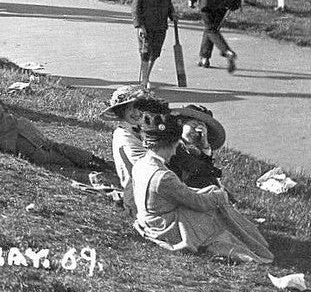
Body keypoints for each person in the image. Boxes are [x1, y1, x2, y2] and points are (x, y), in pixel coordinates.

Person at [129, 110, 272, 263]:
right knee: (216, 213)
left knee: (211, 194)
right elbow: (197, 202)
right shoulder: (163, 175)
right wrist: (220, 196)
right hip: (165, 226)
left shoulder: (142, 163)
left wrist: (211, 193)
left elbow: (180, 193)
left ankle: (251, 238)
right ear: (172, 144)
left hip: (150, 218)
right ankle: (253, 243)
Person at [0, 55, 112, 171]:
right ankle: (98, 161)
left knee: (55, 161)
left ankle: (101, 167)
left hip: (14, 141)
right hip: (22, 130)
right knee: (57, 148)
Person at [99, 86, 170, 218]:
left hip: (152, 188)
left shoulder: (141, 129)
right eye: (129, 108)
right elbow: (146, 165)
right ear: (121, 112)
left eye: (139, 107)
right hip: (139, 196)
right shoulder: (124, 135)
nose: (136, 112)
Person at [131, 0, 174, 89]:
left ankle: (147, 77)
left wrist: (172, 14)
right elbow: (135, 6)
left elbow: (168, 1)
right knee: (145, 52)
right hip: (146, 25)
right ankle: (144, 81)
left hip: (161, 24)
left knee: (155, 53)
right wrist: (139, 25)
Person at [167, 105, 226, 190]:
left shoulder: (194, 151)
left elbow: (205, 170)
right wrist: (214, 171)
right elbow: (195, 167)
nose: (196, 132)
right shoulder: (174, 145)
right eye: (193, 125)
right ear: (181, 124)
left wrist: (204, 144)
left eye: (201, 130)